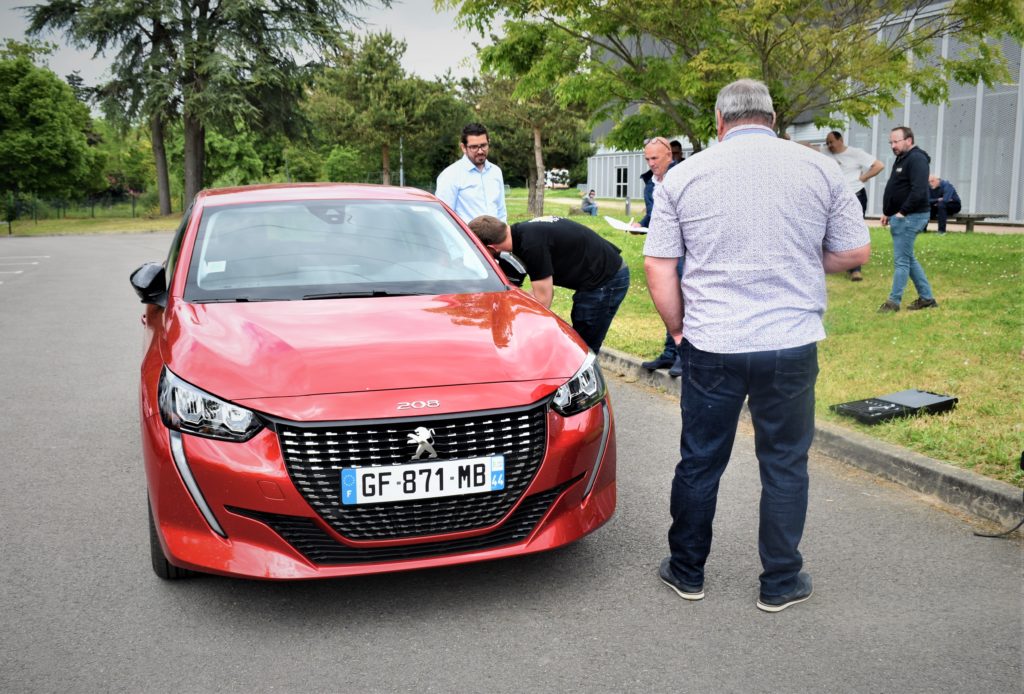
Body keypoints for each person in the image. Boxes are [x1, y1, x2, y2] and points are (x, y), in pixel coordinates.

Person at [643, 79, 870, 612]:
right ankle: (781, 581)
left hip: (713, 341)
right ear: (771, 118)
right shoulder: (819, 168)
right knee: (786, 463)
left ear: (719, 122)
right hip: (789, 344)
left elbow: (658, 264)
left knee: (700, 460)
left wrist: (678, 330)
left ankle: (687, 570)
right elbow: (854, 252)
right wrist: (799, 262)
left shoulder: (684, 175)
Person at [467, 214, 629, 354]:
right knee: (578, 341)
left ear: (490, 248)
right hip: (598, 272)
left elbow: (544, 299)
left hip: (607, 279)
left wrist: (514, 321)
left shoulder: (531, 246)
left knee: (583, 348)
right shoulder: (520, 233)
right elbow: (526, 291)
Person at [637, 137, 684, 376]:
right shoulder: (651, 183)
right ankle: (670, 353)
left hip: (682, 251)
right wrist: (640, 224)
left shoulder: (682, 178)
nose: (651, 163)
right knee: (667, 301)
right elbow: (655, 215)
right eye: (647, 159)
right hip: (660, 250)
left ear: (669, 155)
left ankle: (683, 356)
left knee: (682, 300)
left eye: (655, 158)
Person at [878, 127, 938, 312]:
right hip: (902, 216)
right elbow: (899, 187)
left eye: (896, 141)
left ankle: (893, 302)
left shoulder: (917, 159)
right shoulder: (902, 158)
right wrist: (889, 212)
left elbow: (919, 190)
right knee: (908, 259)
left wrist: (902, 212)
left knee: (902, 261)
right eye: (891, 142)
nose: (893, 145)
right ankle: (927, 298)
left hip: (911, 217)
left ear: (909, 140)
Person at [822, 131, 884, 281]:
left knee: (853, 230)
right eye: (827, 142)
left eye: (831, 142)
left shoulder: (855, 153)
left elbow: (878, 165)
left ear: (840, 140)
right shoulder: (824, 152)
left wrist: (862, 178)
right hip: (833, 197)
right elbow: (808, 147)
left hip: (855, 195)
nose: (829, 145)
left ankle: (855, 270)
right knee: (827, 229)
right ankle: (833, 262)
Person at [435, 123, 507, 223]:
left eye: (484, 145)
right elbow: (444, 216)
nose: (480, 151)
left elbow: (501, 211)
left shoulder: (496, 172)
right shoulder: (450, 175)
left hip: (496, 237)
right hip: (466, 238)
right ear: (463, 147)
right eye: (474, 147)